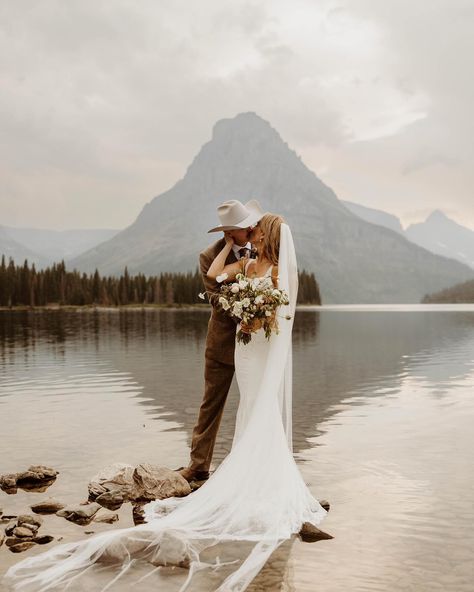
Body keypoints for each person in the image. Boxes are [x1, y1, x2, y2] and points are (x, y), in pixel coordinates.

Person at [4, 211, 330, 592]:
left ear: (262, 232)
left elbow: (280, 310)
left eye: (253, 229)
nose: (251, 233)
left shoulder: (272, 266)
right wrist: (231, 257)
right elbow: (214, 280)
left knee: (262, 410)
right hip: (235, 348)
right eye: (243, 229)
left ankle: (259, 477)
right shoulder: (226, 256)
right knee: (232, 407)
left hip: (257, 347)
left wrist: (255, 314)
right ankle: (205, 467)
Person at [178, 199, 264, 484]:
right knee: (210, 404)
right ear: (229, 232)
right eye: (242, 227)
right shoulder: (208, 256)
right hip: (222, 344)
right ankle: (198, 466)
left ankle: (258, 463)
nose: (251, 227)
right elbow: (214, 298)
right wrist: (243, 310)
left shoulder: (263, 247)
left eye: (248, 223)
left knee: (257, 402)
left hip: (257, 345)